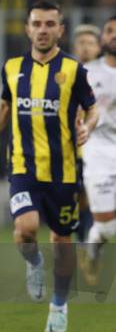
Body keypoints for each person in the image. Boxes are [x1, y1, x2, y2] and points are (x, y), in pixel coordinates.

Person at [0, 0, 98, 332]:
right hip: (23, 167)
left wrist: (88, 126)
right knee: (25, 229)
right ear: (27, 28)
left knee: (62, 240)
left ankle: (59, 305)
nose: (43, 30)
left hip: (64, 171)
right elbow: (4, 108)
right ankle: (35, 263)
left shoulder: (73, 70)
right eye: (37, 23)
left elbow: (92, 109)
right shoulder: (12, 68)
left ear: (60, 30)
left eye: (50, 24)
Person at [81, 16, 116, 276]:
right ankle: (93, 245)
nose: (114, 35)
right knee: (107, 228)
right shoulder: (89, 73)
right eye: (110, 31)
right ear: (103, 38)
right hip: (99, 151)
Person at [72, 24, 102, 244]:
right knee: (77, 201)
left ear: (98, 47)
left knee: (93, 198)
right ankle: (83, 241)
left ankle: (88, 244)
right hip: (71, 150)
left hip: (101, 150)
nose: (85, 48)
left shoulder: (108, 77)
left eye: (90, 43)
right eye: (81, 43)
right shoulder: (63, 76)